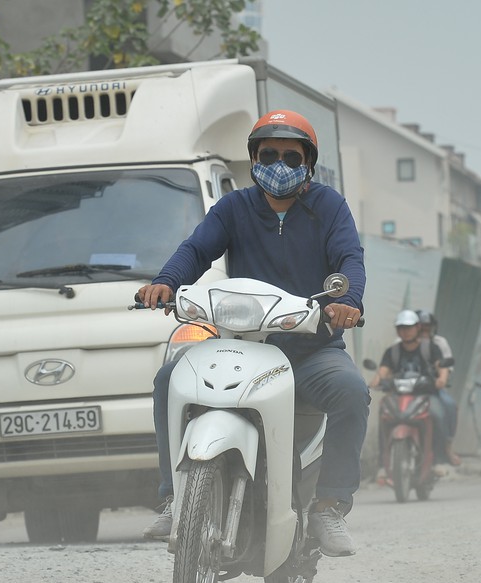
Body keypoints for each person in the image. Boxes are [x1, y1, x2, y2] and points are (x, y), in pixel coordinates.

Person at [136, 109, 368, 557]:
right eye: (269, 155)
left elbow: (349, 259)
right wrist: (166, 280)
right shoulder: (233, 208)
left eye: (290, 156)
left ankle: (327, 505)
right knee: (169, 379)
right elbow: (196, 249)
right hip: (241, 346)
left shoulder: (328, 207)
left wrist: (349, 302)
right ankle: (172, 497)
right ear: (254, 158)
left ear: (308, 164)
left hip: (310, 349)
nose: (279, 164)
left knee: (351, 391)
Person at [370, 310, 451, 473]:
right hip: (398, 396)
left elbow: (441, 366)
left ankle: (439, 460)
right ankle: (382, 465)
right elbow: (383, 371)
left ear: (418, 327)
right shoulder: (392, 351)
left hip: (426, 394)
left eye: (408, 327)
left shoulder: (431, 348)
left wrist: (442, 378)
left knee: (438, 414)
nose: (405, 331)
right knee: (384, 416)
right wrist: (375, 381)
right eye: (401, 328)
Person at [416, 310, 460, 466]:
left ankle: (447, 446)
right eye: (421, 327)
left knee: (449, 405)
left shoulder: (438, 344)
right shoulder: (400, 344)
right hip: (407, 389)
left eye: (427, 327)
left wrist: (441, 379)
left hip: (431, 389)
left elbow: (445, 366)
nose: (424, 331)